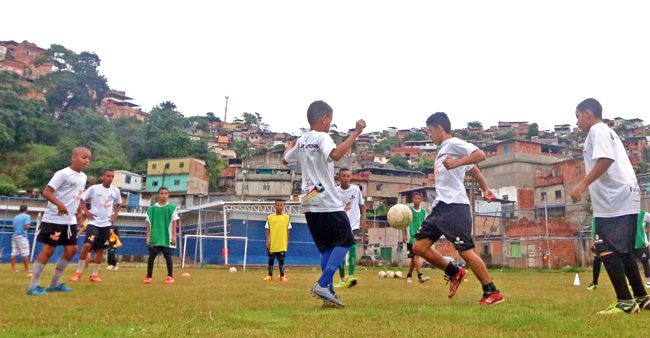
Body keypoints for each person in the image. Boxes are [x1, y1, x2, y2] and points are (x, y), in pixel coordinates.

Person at [412, 112, 503, 305]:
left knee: (465, 250)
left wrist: (456, 163)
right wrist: (485, 188)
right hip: (441, 207)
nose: (430, 136)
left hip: (455, 207)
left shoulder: (453, 144)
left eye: (430, 131)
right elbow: (474, 170)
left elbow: (480, 155)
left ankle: (492, 291)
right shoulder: (444, 150)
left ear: (439, 128)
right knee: (419, 247)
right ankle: (455, 272)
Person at [569, 98, 649, 314]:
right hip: (627, 196)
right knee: (624, 251)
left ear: (587, 113)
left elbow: (606, 159)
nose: (576, 122)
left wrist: (582, 184)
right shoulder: (607, 131)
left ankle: (625, 301)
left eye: (577, 116)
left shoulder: (597, 130)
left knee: (603, 246)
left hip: (614, 198)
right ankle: (641, 297)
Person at [283, 100, 365, 307]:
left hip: (309, 199)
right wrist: (356, 133)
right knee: (346, 241)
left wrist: (288, 148)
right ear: (324, 119)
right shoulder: (322, 136)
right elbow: (335, 155)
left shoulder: (302, 140)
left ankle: (328, 296)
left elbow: (285, 160)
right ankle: (323, 283)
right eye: (330, 120)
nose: (330, 124)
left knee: (327, 249)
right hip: (326, 198)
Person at [27, 147, 90, 295]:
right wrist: (59, 204)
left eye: (88, 158)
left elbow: (78, 195)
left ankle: (54, 283)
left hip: (70, 221)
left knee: (72, 249)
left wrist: (80, 210)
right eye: (83, 157)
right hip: (54, 218)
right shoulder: (62, 174)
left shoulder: (84, 177)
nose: (87, 160)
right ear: (74, 158)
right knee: (49, 250)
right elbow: (47, 192)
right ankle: (32, 286)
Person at [70, 169, 121, 283]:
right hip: (93, 223)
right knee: (87, 245)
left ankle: (94, 274)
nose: (110, 178)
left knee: (100, 249)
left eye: (112, 176)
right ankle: (78, 272)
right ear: (103, 176)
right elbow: (81, 199)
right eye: (108, 176)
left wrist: (115, 215)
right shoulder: (94, 188)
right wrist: (85, 211)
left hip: (106, 224)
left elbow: (119, 204)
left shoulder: (115, 190)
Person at [334, 167, 365, 288]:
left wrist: (363, 218)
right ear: (339, 177)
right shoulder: (335, 191)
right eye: (343, 176)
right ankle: (342, 279)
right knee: (340, 251)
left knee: (352, 247)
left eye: (348, 176)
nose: (346, 178)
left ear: (350, 177)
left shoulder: (356, 190)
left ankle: (351, 276)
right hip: (340, 225)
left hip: (353, 224)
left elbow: (362, 204)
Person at [144, 187, 179, 284]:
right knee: (151, 257)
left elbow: (174, 222)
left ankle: (170, 276)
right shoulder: (152, 209)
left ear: (168, 195)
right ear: (158, 195)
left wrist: (174, 236)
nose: (164, 195)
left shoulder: (171, 208)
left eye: (166, 193)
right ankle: (148, 276)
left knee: (168, 257)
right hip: (155, 237)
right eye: (162, 193)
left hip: (166, 238)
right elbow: (148, 223)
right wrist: (148, 235)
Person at [402, 192, 430, 284]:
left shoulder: (423, 212)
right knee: (415, 257)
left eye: (419, 198)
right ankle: (420, 276)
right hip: (411, 237)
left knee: (414, 258)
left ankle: (409, 276)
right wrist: (404, 234)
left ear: (421, 200)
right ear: (412, 200)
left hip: (420, 237)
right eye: (415, 198)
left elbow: (425, 225)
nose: (417, 200)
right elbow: (404, 223)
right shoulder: (409, 211)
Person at [263, 199, 292, 282]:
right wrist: (267, 241)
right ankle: (270, 275)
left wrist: (287, 241)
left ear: (283, 207)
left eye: (281, 205)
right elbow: (267, 230)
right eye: (278, 205)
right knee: (271, 259)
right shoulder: (270, 217)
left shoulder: (286, 217)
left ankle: (282, 276)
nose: (279, 206)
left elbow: (288, 229)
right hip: (272, 243)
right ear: (274, 206)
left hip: (282, 243)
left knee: (281, 260)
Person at [10, 205, 32, 276]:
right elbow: (26, 227)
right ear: (26, 209)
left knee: (13, 253)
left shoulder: (15, 217)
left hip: (14, 236)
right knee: (25, 253)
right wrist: (29, 226)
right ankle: (27, 269)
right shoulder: (27, 216)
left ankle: (13, 269)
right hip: (22, 236)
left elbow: (14, 227)